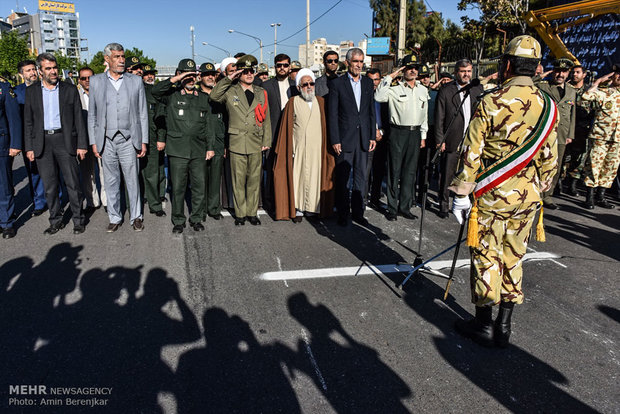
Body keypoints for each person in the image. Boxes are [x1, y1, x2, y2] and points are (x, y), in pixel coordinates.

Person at [449, 35, 558, 348]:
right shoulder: (548, 105)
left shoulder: (491, 101)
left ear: (508, 64)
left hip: (491, 197)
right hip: (527, 199)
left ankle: (483, 323)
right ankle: (505, 325)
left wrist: (461, 193)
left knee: (486, 256)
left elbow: (471, 153)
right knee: (514, 256)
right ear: (536, 68)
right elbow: (550, 160)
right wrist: (536, 187)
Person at [23, 53, 88, 235]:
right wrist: (29, 147)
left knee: (73, 183)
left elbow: (78, 119)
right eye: (48, 69)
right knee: (50, 186)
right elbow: (28, 121)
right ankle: (55, 220)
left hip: (65, 140)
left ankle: (78, 219)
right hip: (42, 143)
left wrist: (82, 144)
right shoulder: (32, 91)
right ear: (40, 71)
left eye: (54, 68)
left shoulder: (69, 89)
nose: (53, 72)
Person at [88, 42, 149, 233]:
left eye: (122, 56)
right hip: (106, 140)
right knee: (111, 181)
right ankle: (114, 217)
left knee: (132, 180)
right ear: (107, 59)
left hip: (129, 139)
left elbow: (142, 113)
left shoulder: (135, 81)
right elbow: (92, 114)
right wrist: (94, 142)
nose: (121, 60)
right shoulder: (96, 81)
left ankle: (136, 216)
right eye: (117, 57)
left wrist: (143, 140)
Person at [152, 59, 215, 233]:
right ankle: (178, 220)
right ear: (179, 75)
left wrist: (210, 147)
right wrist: (176, 79)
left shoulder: (203, 98)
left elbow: (209, 125)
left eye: (193, 75)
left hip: (198, 150)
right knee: (178, 188)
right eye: (186, 75)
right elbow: (155, 91)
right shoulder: (171, 95)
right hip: (177, 150)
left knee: (199, 186)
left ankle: (196, 218)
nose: (190, 79)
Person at [210, 54, 271, 226]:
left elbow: (266, 118)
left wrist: (266, 139)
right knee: (238, 180)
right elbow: (214, 96)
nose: (249, 74)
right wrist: (229, 78)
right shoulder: (231, 90)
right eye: (245, 72)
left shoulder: (261, 92)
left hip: (256, 141)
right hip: (237, 141)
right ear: (239, 74)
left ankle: (252, 213)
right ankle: (240, 214)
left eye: (251, 71)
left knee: (254, 180)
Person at [273, 68, 335, 222]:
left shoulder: (321, 102)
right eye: (305, 84)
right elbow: (287, 128)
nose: (309, 87)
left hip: (317, 149)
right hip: (298, 149)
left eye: (311, 83)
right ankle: (299, 209)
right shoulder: (293, 102)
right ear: (299, 88)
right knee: (298, 178)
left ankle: (313, 209)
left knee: (315, 178)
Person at [374, 54, 428, 221]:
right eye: (409, 67)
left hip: (415, 133)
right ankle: (392, 208)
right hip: (398, 132)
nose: (413, 70)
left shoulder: (423, 90)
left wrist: (423, 135)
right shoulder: (394, 89)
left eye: (415, 68)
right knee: (394, 171)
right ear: (403, 70)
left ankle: (404, 207)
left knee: (410, 172)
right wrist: (390, 77)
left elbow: (424, 114)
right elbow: (378, 96)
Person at [328, 48, 376, 226]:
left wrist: (372, 135)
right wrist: (335, 139)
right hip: (344, 139)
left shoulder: (368, 84)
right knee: (342, 178)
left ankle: (358, 213)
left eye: (361, 61)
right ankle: (343, 213)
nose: (359, 65)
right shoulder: (337, 84)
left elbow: (371, 111)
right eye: (355, 61)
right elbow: (332, 114)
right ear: (347, 62)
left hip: (363, 137)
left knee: (361, 177)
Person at [434, 58, 483, 218]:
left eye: (469, 71)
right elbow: (439, 117)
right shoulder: (447, 90)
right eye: (463, 71)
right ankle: (443, 205)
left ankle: (464, 203)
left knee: (468, 173)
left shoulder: (477, 89)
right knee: (447, 173)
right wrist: (440, 139)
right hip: (451, 138)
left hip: (472, 140)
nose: (466, 74)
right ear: (456, 73)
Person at [536, 58, 576, 209]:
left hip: (561, 134)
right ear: (553, 71)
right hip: (544, 132)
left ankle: (547, 195)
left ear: (568, 73)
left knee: (556, 166)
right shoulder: (542, 86)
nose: (560, 74)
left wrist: (570, 134)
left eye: (564, 72)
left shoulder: (571, 90)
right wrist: (542, 75)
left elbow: (573, 114)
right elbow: (530, 82)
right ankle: (536, 194)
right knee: (540, 163)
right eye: (557, 71)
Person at [261, 53, 298, 213]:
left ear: (290, 67)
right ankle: (270, 202)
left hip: (292, 134)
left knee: (292, 169)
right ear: (274, 67)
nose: (282, 68)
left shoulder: (296, 86)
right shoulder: (266, 86)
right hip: (273, 133)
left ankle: (290, 202)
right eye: (279, 65)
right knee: (271, 168)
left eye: (285, 65)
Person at [580, 65, 620, 209]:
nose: (619, 77)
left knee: (610, 168)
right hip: (600, 137)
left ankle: (600, 197)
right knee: (594, 166)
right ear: (613, 76)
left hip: (617, 140)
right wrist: (598, 82)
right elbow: (585, 96)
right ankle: (589, 197)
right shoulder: (605, 93)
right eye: (617, 74)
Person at [15, 60, 47, 216]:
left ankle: (59, 200)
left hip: (49, 136)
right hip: (29, 138)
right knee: (34, 172)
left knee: (54, 171)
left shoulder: (47, 87)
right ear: (21, 74)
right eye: (28, 70)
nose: (32, 73)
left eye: (34, 69)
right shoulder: (17, 92)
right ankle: (39, 202)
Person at [198, 62, 227, 221]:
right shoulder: (196, 95)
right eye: (206, 74)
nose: (210, 77)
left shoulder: (220, 96)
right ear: (200, 77)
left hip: (218, 141)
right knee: (200, 179)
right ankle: (200, 210)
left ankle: (214, 208)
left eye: (212, 74)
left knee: (215, 177)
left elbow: (226, 120)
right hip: (200, 143)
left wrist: (225, 144)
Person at [76, 66, 105, 214]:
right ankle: (92, 202)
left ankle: (107, 201)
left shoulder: (102, 93)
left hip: (101, 138)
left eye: (90, 78)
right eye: (83, 78)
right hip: (84, 140)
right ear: (79, 80)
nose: (87, 81)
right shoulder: (75, 95)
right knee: (87, 174)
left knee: (104, 171)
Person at [141, 64, 167, 217]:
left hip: (152, 137)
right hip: (135, 138)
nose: (150, 77)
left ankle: (155, 204)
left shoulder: (156, 92)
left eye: (152, 74)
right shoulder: (136, 91)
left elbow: (161, 116)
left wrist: (161, 138)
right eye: (147, 74)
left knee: (153, 172)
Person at [565, 64, 593, 196]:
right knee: (564, 156)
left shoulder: (588, 90)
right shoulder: (566, 88)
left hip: (582, 130)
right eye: (573, 72)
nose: (574, 75)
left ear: (584, 75)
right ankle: (559, 183)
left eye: (577, 72)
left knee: (579, 159)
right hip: (567, 128)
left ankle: (572, 184)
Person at [0, 80, 22, 239]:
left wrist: (15, 144)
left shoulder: (4, 88)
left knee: (3, 185)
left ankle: (6, 222)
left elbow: (13, 117)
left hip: (1, 144)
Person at [365, 68, 389, 210]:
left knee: (379, 170)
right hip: (368, 138)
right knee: (366, 171)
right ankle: (362, 199)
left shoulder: (386, 96)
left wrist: (381, 132)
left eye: (376, 79)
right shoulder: (363, 95)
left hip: (383, 137)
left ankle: (375, 198)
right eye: (371, 80)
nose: (374, 83)